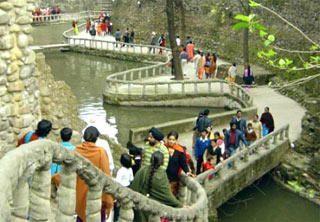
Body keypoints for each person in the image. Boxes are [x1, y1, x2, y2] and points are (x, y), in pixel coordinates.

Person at [131, 151, 185, 221]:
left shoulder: (142, 170)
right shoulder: (161, 174)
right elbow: (167, 195)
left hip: (141, 209)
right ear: (162, 162)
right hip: (155, 210)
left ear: (151, 160)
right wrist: (180, 205)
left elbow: (134, 188)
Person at [75, 126, 113, 222]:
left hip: (79, 195)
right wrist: (108, 201)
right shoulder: (100, 153)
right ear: (96, 138)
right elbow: (106, 176)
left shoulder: (76, 151)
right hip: (96, 195)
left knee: (81, 216)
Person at [164, 131, 191, 196]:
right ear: (167, 139)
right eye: (170, 139)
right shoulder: (164, 148)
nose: (171, 141)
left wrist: (187, 171)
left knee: (171, 194)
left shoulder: (179, 150)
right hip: (164, 176)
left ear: (176, 140)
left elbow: (183, 163)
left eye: (173, 140)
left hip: (174, 177)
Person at [113, 153, 134, 222]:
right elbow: (131, 179)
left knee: (117, 206)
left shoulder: (121, 171)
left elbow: (117, 181)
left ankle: (116, 219)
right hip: (127, 187)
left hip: (121, 189)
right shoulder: (130, 169)